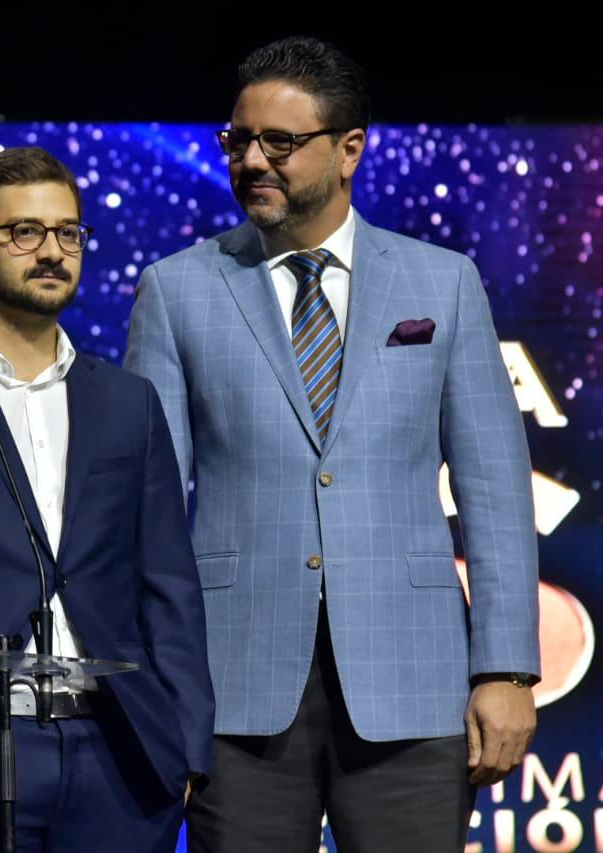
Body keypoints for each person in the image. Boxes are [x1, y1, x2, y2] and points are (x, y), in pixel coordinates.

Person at [125, 36, 540, 851]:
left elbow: (494, 486)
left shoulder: (442, 281)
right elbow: (151, 506)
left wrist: (505, 669)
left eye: (279, 142)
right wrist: (158, 681)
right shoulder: (177, 289)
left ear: (350, 149)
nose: (251, 160)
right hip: (232, 684)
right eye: (237, 140)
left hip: (413, 681)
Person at [0, 147, 213, 853]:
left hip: (121, 756)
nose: (53, 252)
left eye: (69, 233)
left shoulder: (128, 402)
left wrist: (183, 745)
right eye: (24, 233)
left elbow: (169, 584)